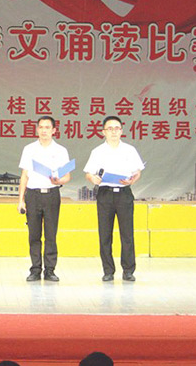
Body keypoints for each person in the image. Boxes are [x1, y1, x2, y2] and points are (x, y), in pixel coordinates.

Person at [83, 115, 145, 282]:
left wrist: (133, 180)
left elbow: (137, 172)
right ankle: (108, 271)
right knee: (105, 234)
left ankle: (128, 270)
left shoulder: (130, 150)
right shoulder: (97, 152)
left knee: (127, 234)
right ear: (103, 132)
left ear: (121, 131)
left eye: (117, 128)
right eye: (110, 129)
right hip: (105, 194)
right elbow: (88, 173)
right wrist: (93, 179)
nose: (113, 132)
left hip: (124, 193)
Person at [18, 115, 71, 282]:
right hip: (33, 195)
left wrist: (59, 181)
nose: (44, 131)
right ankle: (35, 269)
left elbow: (67, 176)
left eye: (47, 127)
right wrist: (21, 200)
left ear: (54, 130)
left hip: (52, 194)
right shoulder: (29, 149)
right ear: (37, 129)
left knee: (51, 234)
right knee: (34, 234)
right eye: (41, 127)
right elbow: (24, 175)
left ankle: (50, 270)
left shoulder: (61, 151)